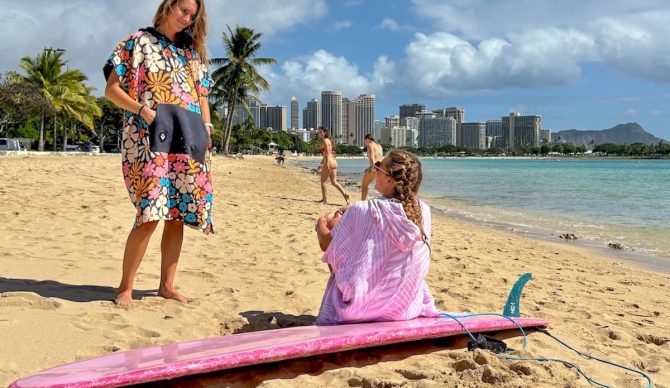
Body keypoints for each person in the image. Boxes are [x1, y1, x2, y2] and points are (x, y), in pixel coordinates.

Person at [103, 0, 213, 306]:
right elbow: (111, 90)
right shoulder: (137, 42)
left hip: (188, 136)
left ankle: (167, 285)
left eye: (192, 16)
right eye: (183, 10)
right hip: (150, 136)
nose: (186, 18)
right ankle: (125, 287)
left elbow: (201, 95)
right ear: (169, 5)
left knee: (176, 214)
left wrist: (207, 127)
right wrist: (144, 111)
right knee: (150, 212)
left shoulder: (192, 54)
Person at [314, 150, 438, 324]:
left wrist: (320, 223)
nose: (374, 169)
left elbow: (325, 244)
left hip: (357, 311)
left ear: (389, 180)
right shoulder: (423, 211)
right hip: (404, 308)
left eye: (379, 166)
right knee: (345, 233)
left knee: (334, 229)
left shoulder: (362, 209)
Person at [316, 126, 349, 205]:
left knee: (323, 181)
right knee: (334, 182)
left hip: (329, 162)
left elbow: (327, 154)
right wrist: (321, 164)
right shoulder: (330, 141)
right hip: (334, 162)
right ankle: (345, 195)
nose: (320, 134)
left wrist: (326, 164)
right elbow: (327, 154)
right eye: (319, 132)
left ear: (325, 133)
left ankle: (325, 200)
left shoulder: (325, 141)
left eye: (321, 132)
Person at [361, 134, 384, 200]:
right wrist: (369, 168)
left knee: (364, 186)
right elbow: (379, 158)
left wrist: (372, 168)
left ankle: (363, 203)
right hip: (381, 167)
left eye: (364, 140)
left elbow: (372, 157)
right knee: (381, 188)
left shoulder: (370, 144)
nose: (364, 142)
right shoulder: (379, 146)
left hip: (375, 168)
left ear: (367, 139)